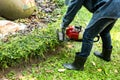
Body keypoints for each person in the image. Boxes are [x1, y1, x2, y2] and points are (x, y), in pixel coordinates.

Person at [61, 0, 120, 70]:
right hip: (116, 7)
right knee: (105, 32)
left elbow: (73, 8)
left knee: (88, 35)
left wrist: (64, 24)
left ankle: (78, 65)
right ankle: (106, 55)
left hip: (107, 8)